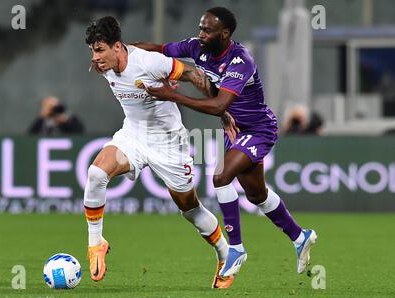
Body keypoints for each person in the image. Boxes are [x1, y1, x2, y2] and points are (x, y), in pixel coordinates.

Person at [134, 7, 317, 278]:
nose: (201, 34)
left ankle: (236, 248)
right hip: (235, 130)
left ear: (225, 33)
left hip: (258, 129)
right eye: (200, 28)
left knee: (220, 177)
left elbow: (219, 103)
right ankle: (300, 237)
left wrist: (172, 96)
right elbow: (160, 48)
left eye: (207, 30)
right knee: (257, 194)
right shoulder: (198, 48)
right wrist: (123, 52)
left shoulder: (240, 61)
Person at [84, 16, 235, 288]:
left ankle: (226, 255)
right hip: (133, 135)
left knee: (190, 209)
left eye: (99, 50)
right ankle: (96, 243)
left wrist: (221, 111)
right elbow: (106, 58)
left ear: (117, 46)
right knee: (96, 174)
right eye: (93, 51)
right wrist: (99, 59)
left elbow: (193, 74)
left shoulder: (149, 63)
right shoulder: (105, 63)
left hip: (168, 144)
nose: (95, 58)